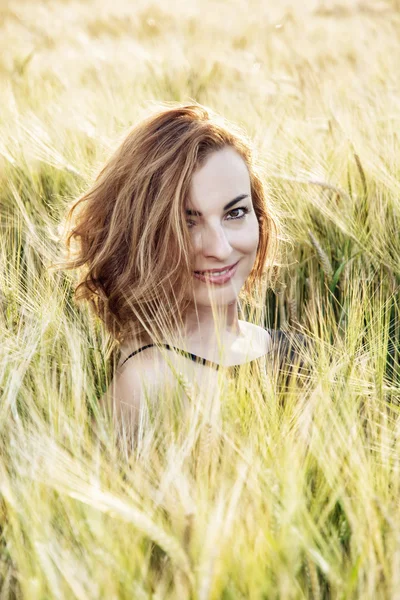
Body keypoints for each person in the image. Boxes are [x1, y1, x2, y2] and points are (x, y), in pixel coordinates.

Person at [59, 101, 311, 438]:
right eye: (186, 222)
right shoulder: (144, 384)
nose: (220, 248)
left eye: (235, 213)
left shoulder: (302, 353)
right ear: (138, 235)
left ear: (259, 216)